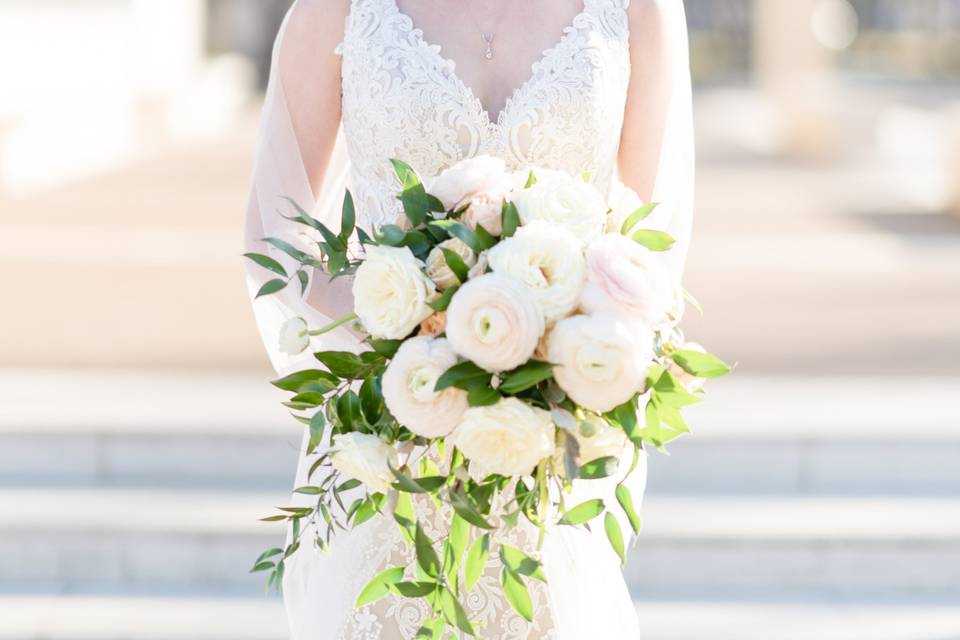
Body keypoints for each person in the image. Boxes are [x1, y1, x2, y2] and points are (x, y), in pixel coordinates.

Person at [244, 1, 694, 637]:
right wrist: (407, 338)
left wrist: (559, 355)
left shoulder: (638, 8)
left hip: (547, 445)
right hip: (392, 432)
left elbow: (650, 245)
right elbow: (274, 235)